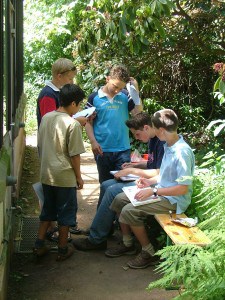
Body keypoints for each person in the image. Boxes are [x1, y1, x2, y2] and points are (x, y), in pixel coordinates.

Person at [105, 109, 195, 269]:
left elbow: (182, 188)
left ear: (161, 130)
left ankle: (149, 253)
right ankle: (128, 244)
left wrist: (153, 191)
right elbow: (165, 175)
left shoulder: (182, 152)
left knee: (129, 211)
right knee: (119, 199)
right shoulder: (169, 146)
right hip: (162, 192)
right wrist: (149, 182)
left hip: (174, 201)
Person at [72, 112, 165, 251]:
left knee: (112, 191)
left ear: (146, 127)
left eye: (137, 134)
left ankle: (97, 239)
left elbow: (160, 172)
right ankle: (103, 228)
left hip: (154, 183)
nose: (136, 138)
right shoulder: (152, 139)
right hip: (145, 178)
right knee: (105, 184)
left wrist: (132, 171)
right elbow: (152, 163)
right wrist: (134, 165)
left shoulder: (162, 142)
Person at [33, 84, 86, 261]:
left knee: (47, 210)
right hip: (64, 176)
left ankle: (38, 246)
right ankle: (62, 249)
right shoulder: (73, 124)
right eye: (78, 105)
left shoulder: (47, 117)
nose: (78, 109)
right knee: (66, 213)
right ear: (72, 103)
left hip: (47, 173)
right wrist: (78, 177)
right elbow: (75, 155)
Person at [85, 64, 142, 185]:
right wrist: (93, 142)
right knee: (105, 184)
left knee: (124, 185)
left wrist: (135, 91)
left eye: (120, 88)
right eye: (115, 86)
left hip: (123, 149)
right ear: (107, 79)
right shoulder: (94, 97)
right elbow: (87, 122)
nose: (117, 90)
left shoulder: (125, 95)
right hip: (102, 150)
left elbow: (138, 113)